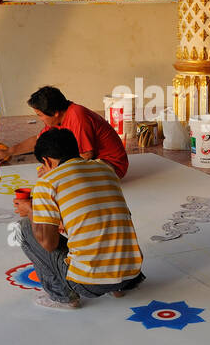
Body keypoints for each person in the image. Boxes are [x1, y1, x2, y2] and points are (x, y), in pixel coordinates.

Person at [11, 128, 145, 310]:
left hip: (89, 284)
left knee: (25, 227)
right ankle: (117, 287)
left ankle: (62, 297)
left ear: (47, 161)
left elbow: (48, 244)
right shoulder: (105, 169)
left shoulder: (47, 183)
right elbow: (89, 214)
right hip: (131, 274)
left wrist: (31, 211)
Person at [0, 85, 129, 179]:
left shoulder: (77, 116)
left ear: (55, 113)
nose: (40, 119)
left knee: (59, 180)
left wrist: (55, 168)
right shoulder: (58, 119)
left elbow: (86, 155)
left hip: (111, 167)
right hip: (93, 163)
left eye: (40, 115)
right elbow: (39, 140)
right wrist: (8, 152)